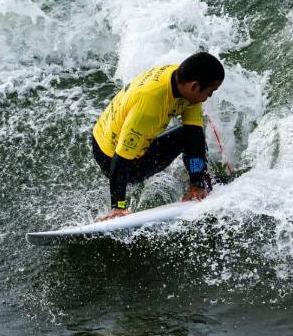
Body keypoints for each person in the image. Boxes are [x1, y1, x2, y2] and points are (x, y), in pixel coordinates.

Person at [91, 52, 224, 220]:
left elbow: (194, 134)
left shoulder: (179, 79)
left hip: (110, 132)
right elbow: (121, 158)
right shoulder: (151, 105)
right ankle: (117, 208)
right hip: (109, 156)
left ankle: (197, 184)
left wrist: (197, 183)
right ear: (194, 86)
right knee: (186, 137)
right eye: (210, 90)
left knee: (193, 134)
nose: (210, 96)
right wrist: (118, 207)